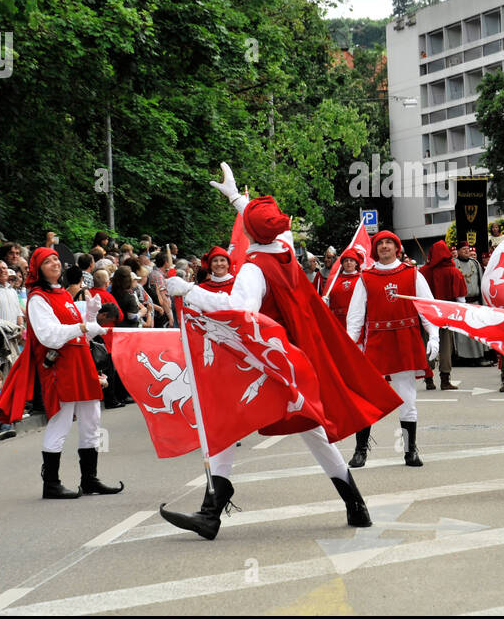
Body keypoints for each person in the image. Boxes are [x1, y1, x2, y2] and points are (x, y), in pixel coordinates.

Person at [161, 167, 400, 540]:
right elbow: (269, 227)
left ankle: (213, 510)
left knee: (227, 419)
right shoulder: (285, 248)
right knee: (309, 431)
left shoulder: (253, 270)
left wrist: (187, 291)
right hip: (293, 359)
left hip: (268, 363)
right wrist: (236, 199)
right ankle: (356, 506)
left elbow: (240, 310)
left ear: (250, 235)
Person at [0, 248, 122, 499]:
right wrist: (82, 325)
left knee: (92, 419)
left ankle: (89, 479)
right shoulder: (37, 298)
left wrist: (91, 320)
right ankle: (51, 483)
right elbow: (49, 335)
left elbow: (80, 334)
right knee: (61, 421)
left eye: (56, 259)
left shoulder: (63, 293)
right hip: (60, 364)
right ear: (38, 268)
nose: (54, 263)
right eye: (47, 260)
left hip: (80, 361)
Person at [345, 230, 440, 467]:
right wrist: (349, 345)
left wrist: (434, 336)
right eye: (380, 243)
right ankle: (360, 451)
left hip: (405, 341)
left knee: (407, 398)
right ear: (375, 249)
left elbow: (428, 308)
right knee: (367, 398)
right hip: (377, 342)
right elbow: (355, 316)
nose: (384, 246)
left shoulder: (412, 274)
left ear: (397, 248)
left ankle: (410, 451)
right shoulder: (366, 277)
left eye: (389, 243)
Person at [419, 239, 466, 391]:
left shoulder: (423, 272)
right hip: (445, 315)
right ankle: (445, 380)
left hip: (427, 314)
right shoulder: (454, 272)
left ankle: (429, 379)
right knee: (445, 347)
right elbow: (461, 298)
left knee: (427, 344)